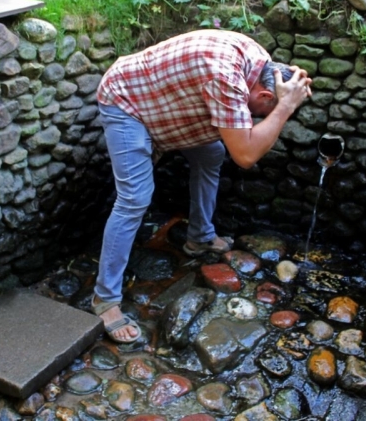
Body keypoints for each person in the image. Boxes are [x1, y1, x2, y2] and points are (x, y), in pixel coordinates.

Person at [92, 29, 312, 343]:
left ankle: (199, 237)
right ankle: (105, 299)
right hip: (127, 100)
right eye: (263, 112)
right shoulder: (227, 78)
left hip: (164, 104)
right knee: (135, 199)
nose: (258, 119)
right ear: (265, 96)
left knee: (212, 152)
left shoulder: (259, 65)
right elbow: (246, 154)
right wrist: (285, 107)